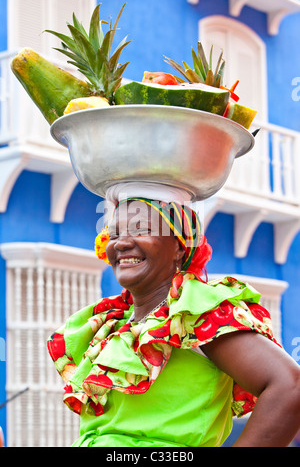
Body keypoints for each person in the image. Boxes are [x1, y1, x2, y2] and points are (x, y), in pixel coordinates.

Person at [47, 188, 300, 448]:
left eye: (141, 229)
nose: (121, 243)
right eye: (114, 233)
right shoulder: (115, 324)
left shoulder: (196, 315)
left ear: (179, 246)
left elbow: (290, 387)